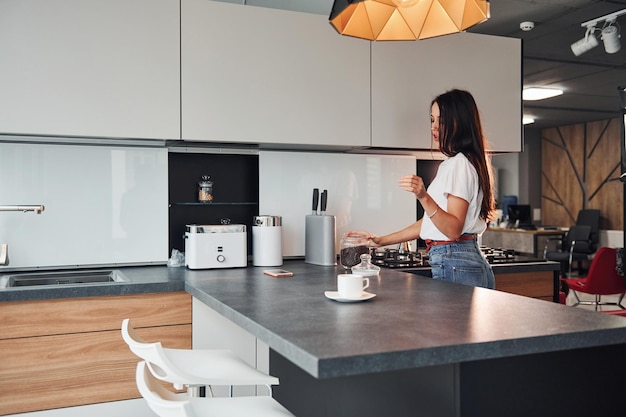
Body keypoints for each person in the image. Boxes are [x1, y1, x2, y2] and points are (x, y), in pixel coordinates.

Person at [348, 89, 495, 288]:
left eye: (441, 121)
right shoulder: (467, 162)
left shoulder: (458, 164)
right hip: (462, 260)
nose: (434, 127)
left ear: (459, 122)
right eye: (432, 120)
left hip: (454, 260)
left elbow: (452, 229)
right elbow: (432, 223)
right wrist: (381, 240)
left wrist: (423, 195)